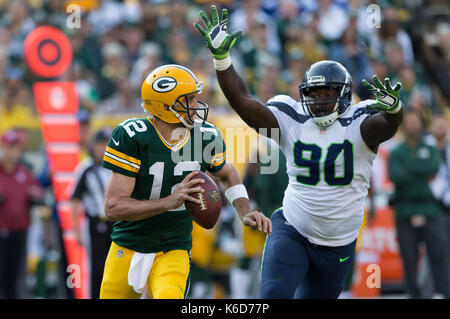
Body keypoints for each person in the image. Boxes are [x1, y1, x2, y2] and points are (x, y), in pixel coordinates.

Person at [194, 5, 404, 298]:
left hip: (338, 242)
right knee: (273, 296)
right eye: (314, 93)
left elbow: (387, 126)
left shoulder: (360, 122)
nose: (319, 100)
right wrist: (222, 59)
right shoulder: (290, 118)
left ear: (343, 94)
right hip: (293, 228)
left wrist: (395, 110)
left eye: (327, 93)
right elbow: (242, 102)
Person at [99, 64, 271, 299]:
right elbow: (112, 207)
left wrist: (244, 211)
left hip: (174, 247)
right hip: (128, 245)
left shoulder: (205, 135)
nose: (196, 105)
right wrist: (168, 202)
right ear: (166, 106)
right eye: (188, 99)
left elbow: (227, 174)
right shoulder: (133, 136)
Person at [388, 111, 450, 299]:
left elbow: (432, 168)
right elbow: (396, 176)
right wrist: (420, 175)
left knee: (439, 255)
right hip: (405, 209)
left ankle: (442, 292)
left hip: (430, 208)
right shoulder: (397, 151)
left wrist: (409, 169)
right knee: (409, 258)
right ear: (403, 126)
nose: (413, 125)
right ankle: (413, 294)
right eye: (410, 122)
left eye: (416, 122)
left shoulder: (430, 148)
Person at [69, 128, 113, 299]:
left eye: (108, 144)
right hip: (94, 223)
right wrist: (76, 230)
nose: (105, 148)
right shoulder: (85, 168)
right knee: (94, 268)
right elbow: (75, 199)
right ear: (93, 145)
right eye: (102, 144)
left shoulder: (117, 168)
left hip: (116, 224)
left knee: (115, 267)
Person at [0, 129, 43, 298]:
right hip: (1, 231)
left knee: (15, 276)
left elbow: (38, 191)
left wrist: (35, 195)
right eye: (9, 147)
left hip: (20, 232)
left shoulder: (24, 172)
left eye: (15, 147)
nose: (12, 152)